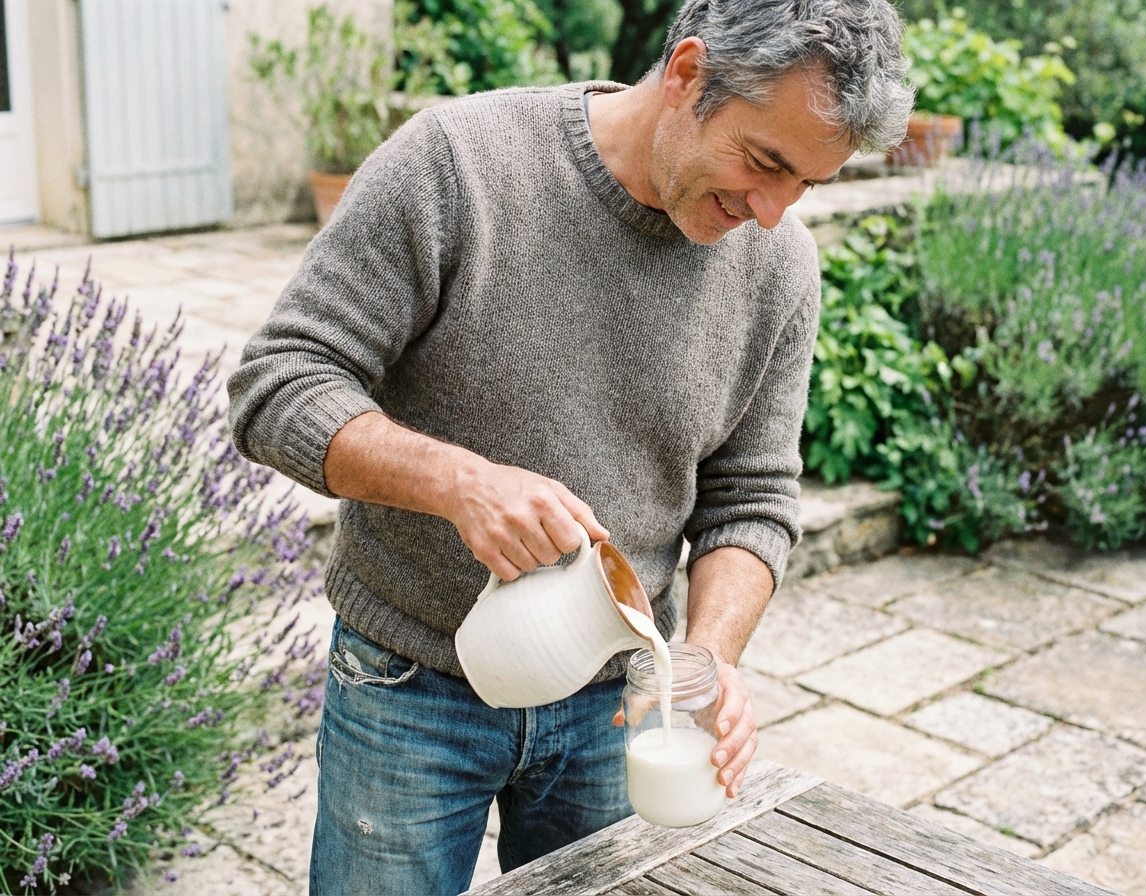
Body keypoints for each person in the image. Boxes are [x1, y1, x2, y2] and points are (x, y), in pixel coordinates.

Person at [228, 0, 912, 892]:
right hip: (409, 683)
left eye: (807, 185)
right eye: (765, 161)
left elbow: (753, 499)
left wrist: (706, 660)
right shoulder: (458, 164)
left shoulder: (782, 267)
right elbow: (278, 383)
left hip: (617, 703)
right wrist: (456, 481)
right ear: (688, 74)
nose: (774, 213)